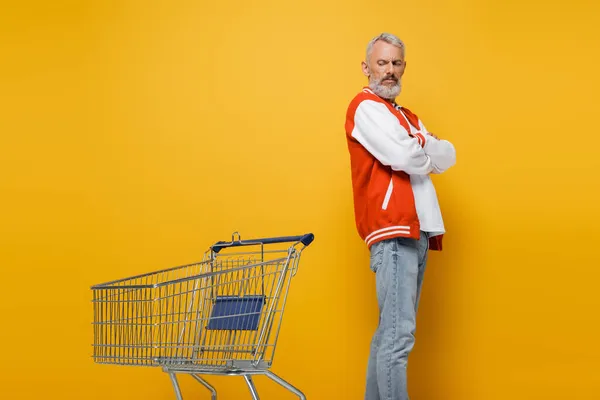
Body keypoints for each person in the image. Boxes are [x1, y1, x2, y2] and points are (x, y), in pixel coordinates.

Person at [344, 32, 457, 400]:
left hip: (418, 232)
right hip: (393, 231)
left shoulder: (406, 116)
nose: (389, 71)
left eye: (396, 63)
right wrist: (423, 146)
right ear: (367, 67)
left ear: (403, 67)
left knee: (389, 335)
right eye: (382, 63)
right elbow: (406, 157)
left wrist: (418, 146)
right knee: (397, 337)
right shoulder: (365, 107)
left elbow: (449, 154)